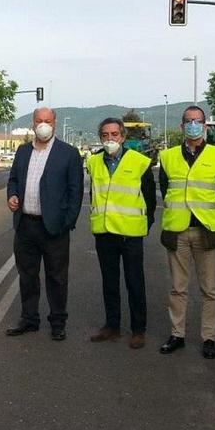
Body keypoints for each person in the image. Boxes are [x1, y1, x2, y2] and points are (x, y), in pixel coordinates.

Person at [158, 106, 215, 359]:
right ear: (181, 127)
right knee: (178, 288)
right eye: (188, 121)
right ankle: (177, 334)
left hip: (206, 231)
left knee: (209, 289)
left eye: (197, 121)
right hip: (177, 230)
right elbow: (165, 188)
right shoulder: (167, 157)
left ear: (205, 126)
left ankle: (208, 338)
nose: (193, 125)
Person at [5, 107, 83, 341]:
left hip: (54, 228)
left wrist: (66, 223)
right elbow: (13, 180)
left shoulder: (68, 153)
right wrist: (12, 196)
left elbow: (75, 191)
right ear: (33, 124)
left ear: (55, 123)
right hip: (26, 225)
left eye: (48, 120)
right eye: (39, 120)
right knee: (27, 276)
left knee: (57, 278)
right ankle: (29, 319)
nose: (43, 124)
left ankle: (58, 321)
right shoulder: (23, 151)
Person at [86, 118, 157, 349]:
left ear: (123, 137)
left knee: (134, 282)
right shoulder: (94, 162)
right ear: (100, 137)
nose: (110, 139)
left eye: (114, 134)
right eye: (105, 135)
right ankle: (112, 326)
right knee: (109, 282)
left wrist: (145, 225)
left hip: (130, 234)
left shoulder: (139, 162)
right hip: (105, 232)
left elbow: (149, 199)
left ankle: (138, 330)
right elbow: (93, 195)